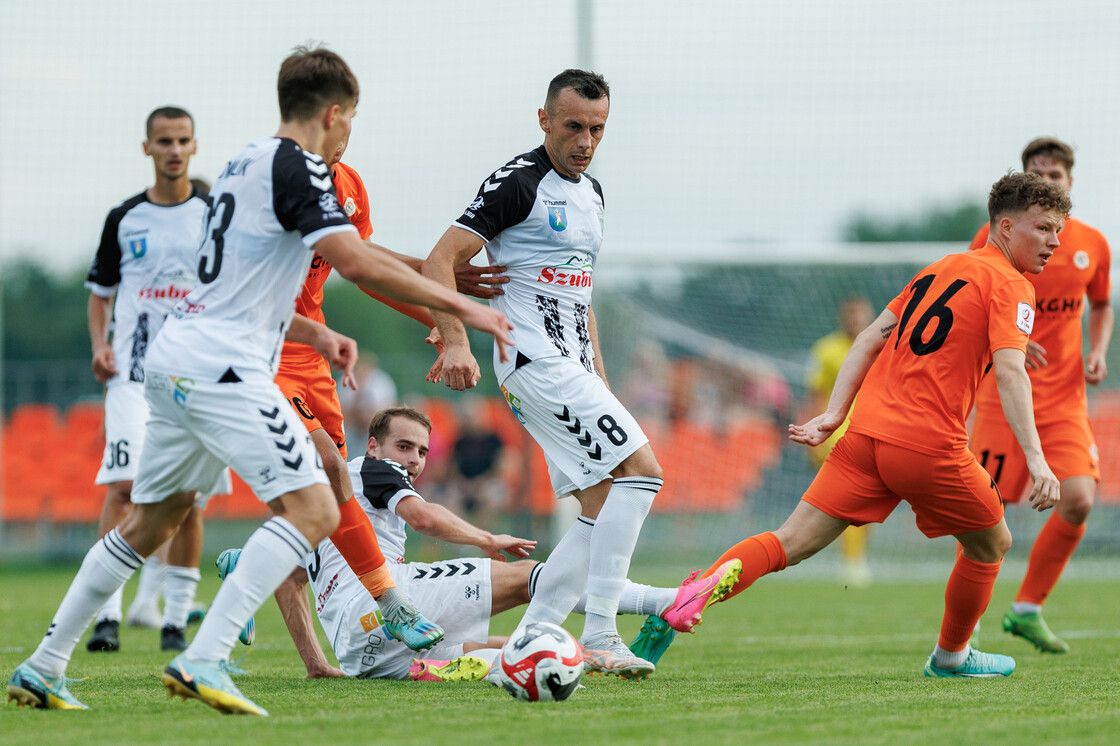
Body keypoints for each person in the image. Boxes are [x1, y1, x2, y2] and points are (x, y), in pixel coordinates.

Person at [7, 45, 513, 715]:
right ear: (333, 114)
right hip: (224, 368)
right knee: (317, 506)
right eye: (351, 120)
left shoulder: (244, 163)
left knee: (150, 522)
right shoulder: (300, 170)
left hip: (172, 361)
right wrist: (460, 307)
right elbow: (356, 265)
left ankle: (43, 666)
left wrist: (325, 328)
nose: (349, 133)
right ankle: (205, 657)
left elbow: (250, 283)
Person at [635, 172, 1068, 678]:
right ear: (1007, 226)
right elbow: (1012, 371)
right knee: (992, 543)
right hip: (927, 445)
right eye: (1043, 229)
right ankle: (951, 656)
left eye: (1059, 230)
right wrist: (1037, 460)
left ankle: (680, 604)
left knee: (787, 543)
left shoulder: (939, 270)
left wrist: (834, 415)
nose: (1054, 242)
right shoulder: (1013, 284)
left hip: (864, 436)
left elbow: (866, 340)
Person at [422, 69, 741, 679]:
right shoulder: (517, 184)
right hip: (532, 360)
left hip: (571, 366)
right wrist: (457, 340)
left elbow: (579, 293)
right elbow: (441, 260)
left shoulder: (592, 193)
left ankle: (532, 640)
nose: (586, 140)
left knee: (600, 506)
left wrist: (597, 369)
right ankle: (598, 634)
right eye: (574, 126)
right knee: (643, 476)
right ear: (543, 120)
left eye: (597, 129)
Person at [220, 406, 736, 681]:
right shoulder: (371, 470)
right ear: (372, 445)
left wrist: (317, 663)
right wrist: (486, 538)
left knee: (524, 651)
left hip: (362, 652)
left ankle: (598, 657)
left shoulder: (313, 500)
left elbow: (289, 582)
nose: (414, 460)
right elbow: (422, 517)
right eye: (404, 447)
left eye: (421, 450)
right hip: (379, 603)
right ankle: (667, 601)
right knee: (528, 580)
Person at [273, 130, 512, 653]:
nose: (341, 142)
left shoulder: (348, 184)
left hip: (313, 356)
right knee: (330, 470)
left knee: (322, 493)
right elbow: (362, 266)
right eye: (337, 127)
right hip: (262, 349)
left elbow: (362, 263)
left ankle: (252, 566)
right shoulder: (274, 181)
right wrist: (447, 305)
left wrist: (434, 302)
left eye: (350, 130)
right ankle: (390, 601)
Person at [82, 106, 229, 654]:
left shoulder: (216, 212)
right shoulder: (124, 217)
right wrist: (100, 345)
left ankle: (172, 620)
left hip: (196, 378)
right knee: (123, 489)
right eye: (163, 140)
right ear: (147, 147)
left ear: (195, 146)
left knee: (189, 498)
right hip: (131, 376)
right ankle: (108, 615)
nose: (173, 149)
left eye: (182, 140)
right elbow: (100, 295)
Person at [967, 138, 1113, 653]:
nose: (1046, 182)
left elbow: (1101, 304)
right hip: (1003, 395)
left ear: (1070, 182)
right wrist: (1009, 341)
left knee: (1077, 499)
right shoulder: (997, 239)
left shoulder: (1093, 244)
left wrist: (1099, 349)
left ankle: (1027, 608)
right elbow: (972, 297)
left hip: (1065, 399)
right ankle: (968, 626)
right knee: (984, 513)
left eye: (1054, 176)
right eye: (1036, 174)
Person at [805, 296, 876, 587]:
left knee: (868, 501)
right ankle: (852, 562)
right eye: (852, 315)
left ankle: (854, 559)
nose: (857, 320)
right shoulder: (825, 349)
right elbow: (816, 394)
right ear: (843, 317)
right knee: (845, 500)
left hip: (872, 429)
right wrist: (814, 433)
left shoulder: (881, 347)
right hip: (835, 434)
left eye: (862, 315)